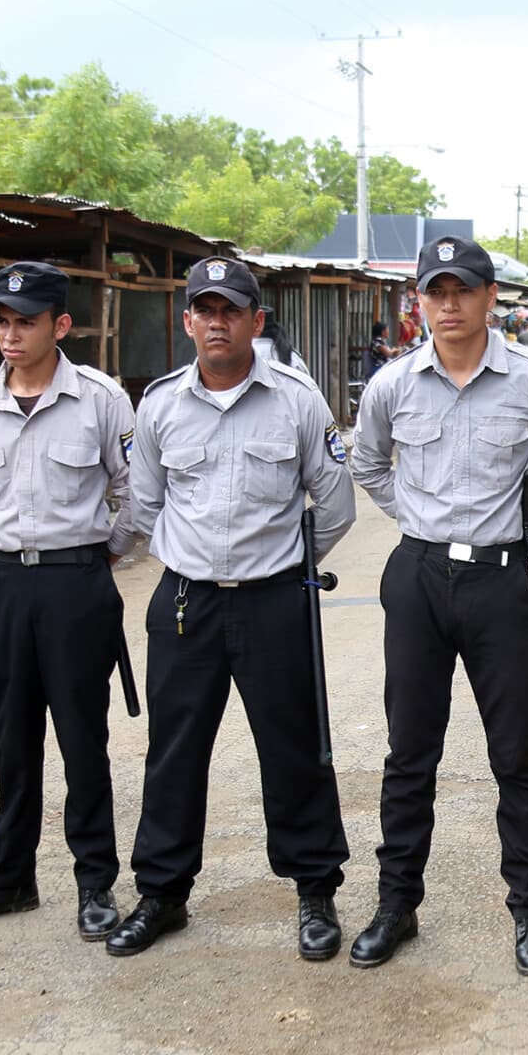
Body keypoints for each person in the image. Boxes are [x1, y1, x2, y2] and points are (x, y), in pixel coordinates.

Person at [348, 235, 528, 975]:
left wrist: (527, 522)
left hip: (499, 581)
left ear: (492, 298)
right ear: (419, 300)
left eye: (463, 290)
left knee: (515, 752)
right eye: (436, 291)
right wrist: (416, 519)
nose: (449, 304)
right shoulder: (394, 384)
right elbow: (367, 461)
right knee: (409, 752)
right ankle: (397, 903)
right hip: (418, 577)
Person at [107, 256, 357, 960]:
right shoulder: (158, 405)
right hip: (186, 603)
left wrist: (277, 566)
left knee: (295, 749)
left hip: (276, 600)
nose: (217, 322)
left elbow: (333, 507)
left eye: (231, 310)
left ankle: (315, 889)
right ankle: (161, 892)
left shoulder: (298, 401)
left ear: (255, 320)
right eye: (204, 309)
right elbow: (145, 505)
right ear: (187, 320)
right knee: (174, 752)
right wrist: (192, 561)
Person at [0, 262, 137, 940]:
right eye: (2, 319)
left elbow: (135, 490)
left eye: (26, 320)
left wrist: (103, 554)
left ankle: (95, 883)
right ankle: (9, 877)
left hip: (75, 583)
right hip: (1, 584)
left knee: (84, 737)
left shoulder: (101, 399)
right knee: (9, 734)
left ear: (61, 324)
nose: (11, 333)